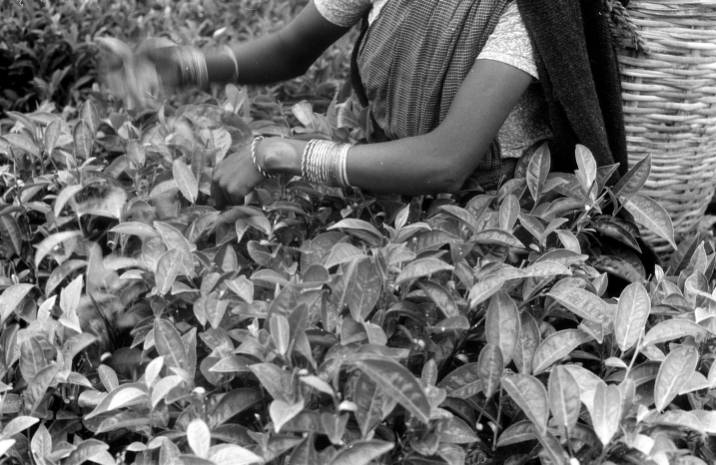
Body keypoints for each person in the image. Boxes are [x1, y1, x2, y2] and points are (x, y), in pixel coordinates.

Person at [106, 0, 629, 206]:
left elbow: (446, 161)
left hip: (491, 216)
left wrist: (287, 154)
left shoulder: (533, 8)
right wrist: (189, 65)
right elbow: (291, 49)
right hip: (380, 182)